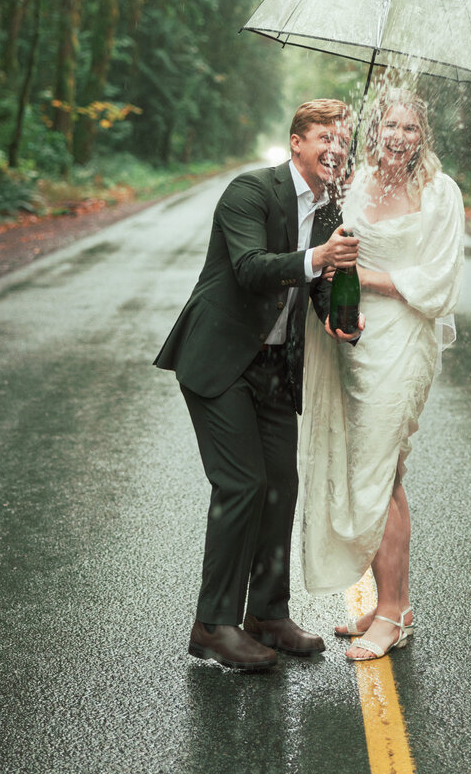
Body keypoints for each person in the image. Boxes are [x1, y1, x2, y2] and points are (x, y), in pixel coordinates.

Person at [154, 99, 361, 672]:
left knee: (279, 487)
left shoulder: (330, 207)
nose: (334, 148)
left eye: (342, 139)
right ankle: (213, 623)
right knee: (241, 483)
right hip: (220, 361)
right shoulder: (249, 192)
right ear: (296, 142)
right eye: (324, 136)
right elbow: (251, 268)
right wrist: (318, 256)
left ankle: (267, 614)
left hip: (276, 366)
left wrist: (336, 314)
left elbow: (315, 284)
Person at [299, 87, 464, 661]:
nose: (398, 137)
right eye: (390, 126)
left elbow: (439, 282)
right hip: (358, 339)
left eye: (410, 129)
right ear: (376, 130)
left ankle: (391, 616)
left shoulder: (440, 193)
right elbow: (327, 253)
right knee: (374, 470)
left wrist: (365, 276)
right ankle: (392, 602)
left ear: (424, 137)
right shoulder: (356, 183)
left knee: (382, 464)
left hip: (407, 340)